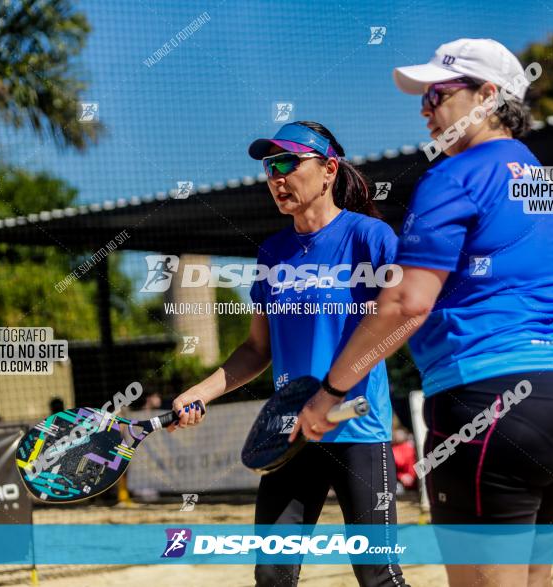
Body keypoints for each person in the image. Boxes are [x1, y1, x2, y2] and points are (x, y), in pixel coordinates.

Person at [291, 39, 553, 587]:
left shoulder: (452, 174)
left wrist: (330, 395)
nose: (424, 107)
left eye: (437, 93)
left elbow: (408, 302)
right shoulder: (534, 173)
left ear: (488, 96)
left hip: (493, 404)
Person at [171, 121, 409, 587]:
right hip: (289, 432)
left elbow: (402, 319)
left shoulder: (371, 238)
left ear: (328, 170)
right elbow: (257, 348)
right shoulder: (272, 253)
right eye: (268, 167)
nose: (276, 176)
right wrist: (200, 391)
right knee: (273, 574)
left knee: (377, 575)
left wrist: (341, 385)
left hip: (357, 427)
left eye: (287, 163)